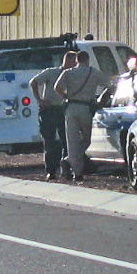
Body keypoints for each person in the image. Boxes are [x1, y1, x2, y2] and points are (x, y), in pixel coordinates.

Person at [54, 50, 114, 182]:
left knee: (72, 141)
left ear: (76, 60)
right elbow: (110, 84)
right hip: (86, 107)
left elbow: (56, 87)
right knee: (86, 140)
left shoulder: (68, 73)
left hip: (70, 107)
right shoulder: (93, 72)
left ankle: (75, 170)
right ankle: (70, 163)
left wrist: (66, 96)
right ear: (87, 60)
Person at [29, 52, 78, 180]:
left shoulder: (74, 76)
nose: (75, 64)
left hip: (65, 109)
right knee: (49, 142)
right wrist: (39, 99)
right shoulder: (51, 73)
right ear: (67, 61)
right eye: (74, 62)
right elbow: (33, 82)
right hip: (49, 109)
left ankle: (66, 169)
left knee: (67, 141)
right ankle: (51, 170)